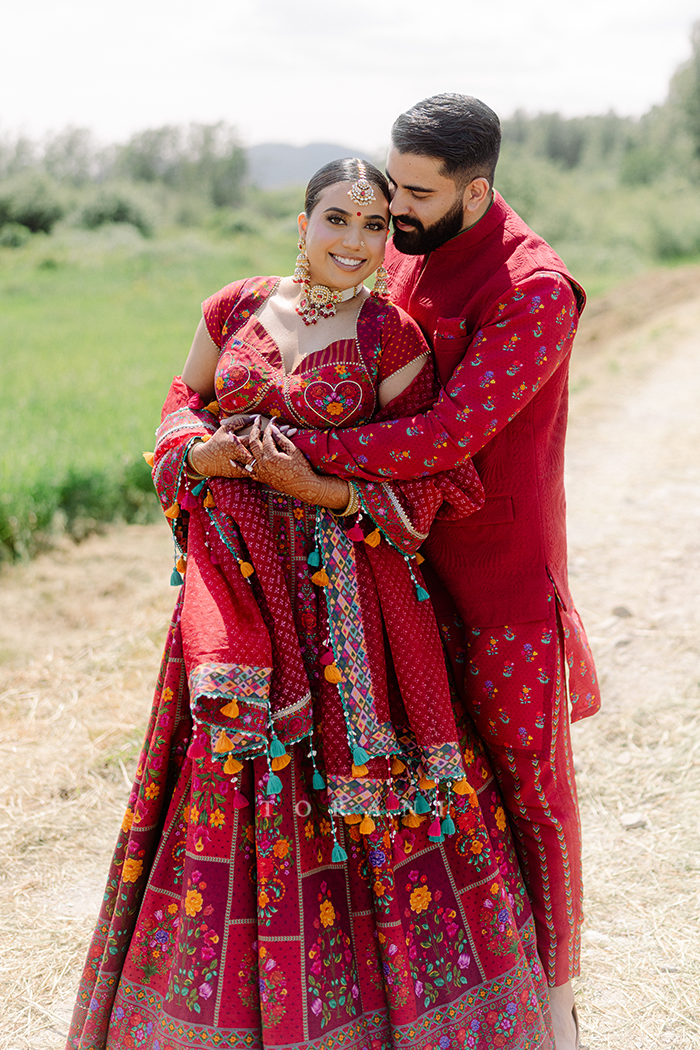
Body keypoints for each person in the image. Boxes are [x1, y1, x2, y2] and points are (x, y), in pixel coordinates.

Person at [67, 159, 556, 1050]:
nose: (356, 242)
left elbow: (431, 479)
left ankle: (374, 1015)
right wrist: (206, 458)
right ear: (302, 223)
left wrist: (318, 486)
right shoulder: (234, 307)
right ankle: (220, 1015)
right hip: (243, 591)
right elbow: (182, 409)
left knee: (356, 794)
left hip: (352, 608)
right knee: (230, 772)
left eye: (375, 228)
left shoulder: (391, 337)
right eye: (338, 218)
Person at [287, 98, 601, 1050]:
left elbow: (448, 434)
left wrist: (300, 459)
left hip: (501, 586)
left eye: (418, 192)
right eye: (396, 182)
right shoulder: (414, 246)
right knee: (438, 792)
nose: (397, 207)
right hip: (396, 578)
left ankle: (554, 1004)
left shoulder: (536, 289)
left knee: (530, 791)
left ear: (480, 188)